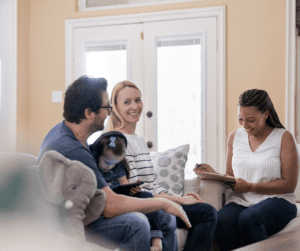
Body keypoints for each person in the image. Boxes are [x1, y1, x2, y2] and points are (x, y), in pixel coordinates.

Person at [38, 76, 192, 251]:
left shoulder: (64, 131)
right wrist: (164, 203)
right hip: (70, 221)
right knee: (136, 223)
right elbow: (110, 207)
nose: (109, 113)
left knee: (166, 218)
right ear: (89, 113)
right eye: (107, 108)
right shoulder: (74, 150)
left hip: (83, 209)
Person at [105, 80, 218, 251]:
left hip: (152, 200)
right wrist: (178, 200)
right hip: (141, 205)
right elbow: (137, 192)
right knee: (206, 213)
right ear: (115, 107)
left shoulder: (139, 140)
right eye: (127, 102)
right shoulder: (118, 142)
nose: (135, 106)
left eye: (138, 100)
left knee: (207, 211)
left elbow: (151, 182)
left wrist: (169, 195)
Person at [195, 89, 299, 251]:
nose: (245, 126)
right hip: (241, 200)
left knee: (249, 218)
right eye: (240, 119)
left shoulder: (284, 137)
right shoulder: (235, 137)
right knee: (221, 221)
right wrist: (213, 174)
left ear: (265, 114)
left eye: (251, 120)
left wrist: (251, 187)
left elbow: (289, 185)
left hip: (279, 200)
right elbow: (231, 176)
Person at [89, 130, 177, 251]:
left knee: (149, 199)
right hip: (106, 201)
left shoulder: (117, 165)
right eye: (107, 162)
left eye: (114, 164)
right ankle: (156, 239)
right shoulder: (91, 164)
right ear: (97, 153)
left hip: (120, 196)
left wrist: (132, 189)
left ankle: (157, 239)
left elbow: (124, 184)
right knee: (147, 204)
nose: (110, 167)